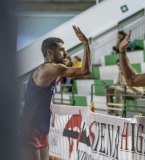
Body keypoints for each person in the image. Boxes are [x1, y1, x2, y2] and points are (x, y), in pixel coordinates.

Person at [20, 25, 92, 160]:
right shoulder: (52, 68)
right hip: (31, 127)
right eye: (62, 50)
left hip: (40, 127)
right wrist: (86, 43)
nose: (66, 54)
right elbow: (86, 71)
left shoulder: (45, 69)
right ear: (50, 52)